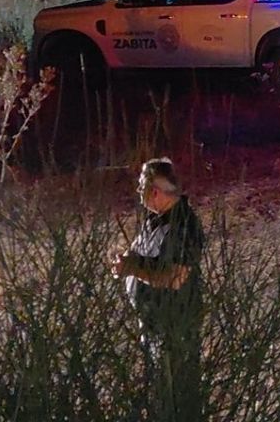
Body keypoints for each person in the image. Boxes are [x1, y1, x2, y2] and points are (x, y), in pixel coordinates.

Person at [111, 157, 206, 422]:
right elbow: (140, 256)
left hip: (175, 330)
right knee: (158, 396)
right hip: (155, 327)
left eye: (142, 185)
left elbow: (173, 278)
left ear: (154, 191)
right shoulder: (155, 221)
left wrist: (132, 269)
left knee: (177, 399)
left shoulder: (183, 226)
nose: (138, 190)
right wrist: (125, 262)